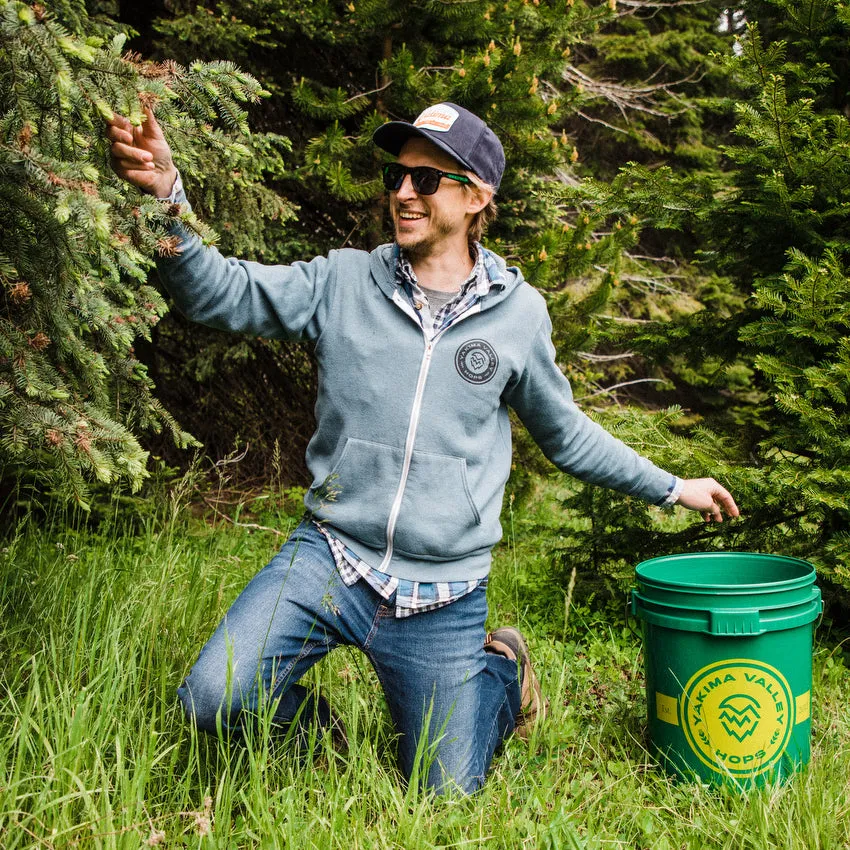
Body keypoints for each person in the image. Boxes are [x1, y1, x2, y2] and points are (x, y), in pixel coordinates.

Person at [107, 102, 739, 795]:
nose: (403, 193)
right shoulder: (342, 281)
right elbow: (218, 293)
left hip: (444, 591)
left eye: (427, 180)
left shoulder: (518, 316)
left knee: (444, 793)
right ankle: (320, 743)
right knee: (212, 697)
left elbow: (566, 436)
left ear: (476, 197)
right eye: (396, 175)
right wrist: (168, 199)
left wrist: (672, 486)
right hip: (332, 556)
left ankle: (500, 671)